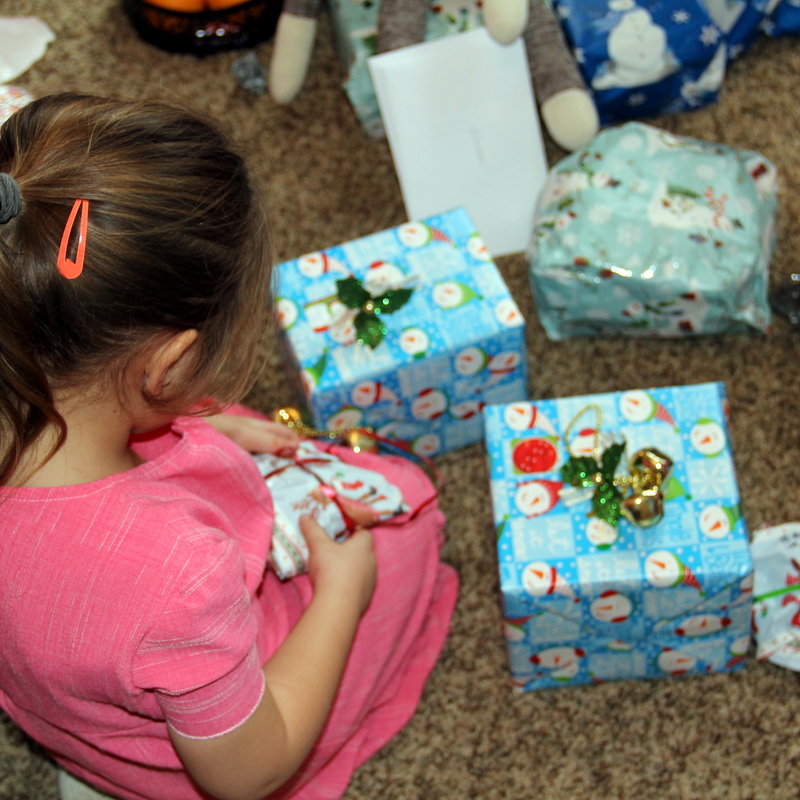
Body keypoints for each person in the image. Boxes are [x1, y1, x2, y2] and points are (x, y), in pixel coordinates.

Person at [0, 93, 458, 800]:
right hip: (193, 753)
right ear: (170, 361)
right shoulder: (174, 572)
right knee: (405, 526)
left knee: (208, 426)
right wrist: (341, 595)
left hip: (69, 682)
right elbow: (248, 770)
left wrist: (209, 426)